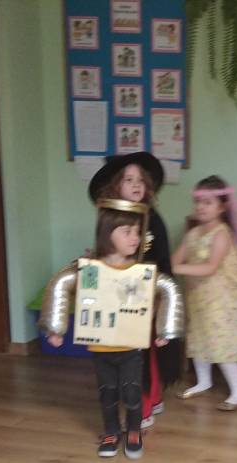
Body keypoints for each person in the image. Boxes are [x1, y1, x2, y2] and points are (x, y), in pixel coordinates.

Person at [45, 200, 163, 459]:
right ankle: (111, 431)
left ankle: (134, 430)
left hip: (131, 347)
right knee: (107, 392)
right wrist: (56, 328)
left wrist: (163, 329)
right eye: (127, 232)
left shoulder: (139, 271)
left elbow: (161, 295)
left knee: (132, 391)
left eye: (137, 232)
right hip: (101, 348)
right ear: (108, 234)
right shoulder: (91, 269)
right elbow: (61, 285)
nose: (135, 237)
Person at [89, 152, 179, 428]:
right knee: (133, 350)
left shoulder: (151, 217)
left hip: (147, 292)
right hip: (120, 294)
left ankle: (146, 405)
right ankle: (149, 398)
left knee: (144, 351)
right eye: (128, 180)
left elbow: (159, 258)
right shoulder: (110, 217)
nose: (136, 184)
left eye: (140, 179)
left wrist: (155, 296)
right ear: (115, 185)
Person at [172, 175, 237, 410]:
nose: (201, 207)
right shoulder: (193, 233)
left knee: (220, 342)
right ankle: (203, 381)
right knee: (199, 336)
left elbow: (211, 267)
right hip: (198, 296)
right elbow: (175, 258)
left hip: (220, 297)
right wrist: (173, 265)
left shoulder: (221, 234)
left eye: (208, 202)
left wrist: (178, 268)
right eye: (198, 202)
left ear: (222, 207)